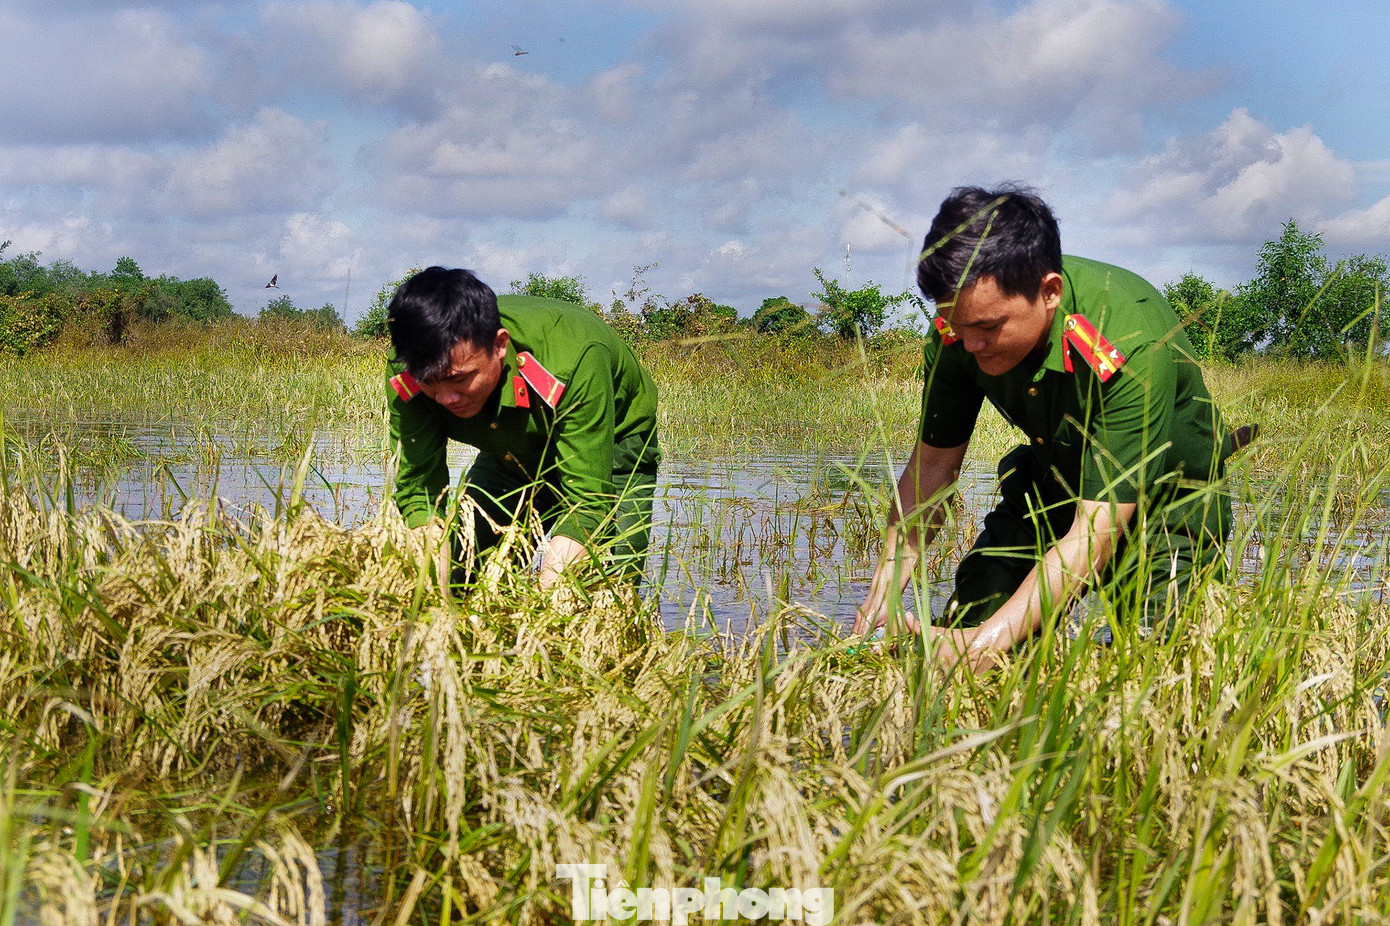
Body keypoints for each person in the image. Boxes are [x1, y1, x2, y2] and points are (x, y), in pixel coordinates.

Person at [852, 185, 1237, 669]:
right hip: (1054, 478)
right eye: (955, 323)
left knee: (1158, 666)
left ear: (1049, 292)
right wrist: (885, 590)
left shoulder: (1128, 340)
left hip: (1167, 501)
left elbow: (1095, 530)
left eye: (989, 328)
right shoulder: (960, 330)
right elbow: (932, 466)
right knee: (971, 616)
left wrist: (984, 644)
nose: (969, 344)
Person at [386, 267, 661, 587]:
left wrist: (549, 609)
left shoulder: (573, 361)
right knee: (464, 572)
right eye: (430, 382)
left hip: (612, 442)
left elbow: (588, 503)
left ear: (499, 345)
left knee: (604, 590)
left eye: (460, 379)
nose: (446, 398)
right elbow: (420, 495)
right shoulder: (409, 365)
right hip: (511, 449)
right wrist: (438, 605)